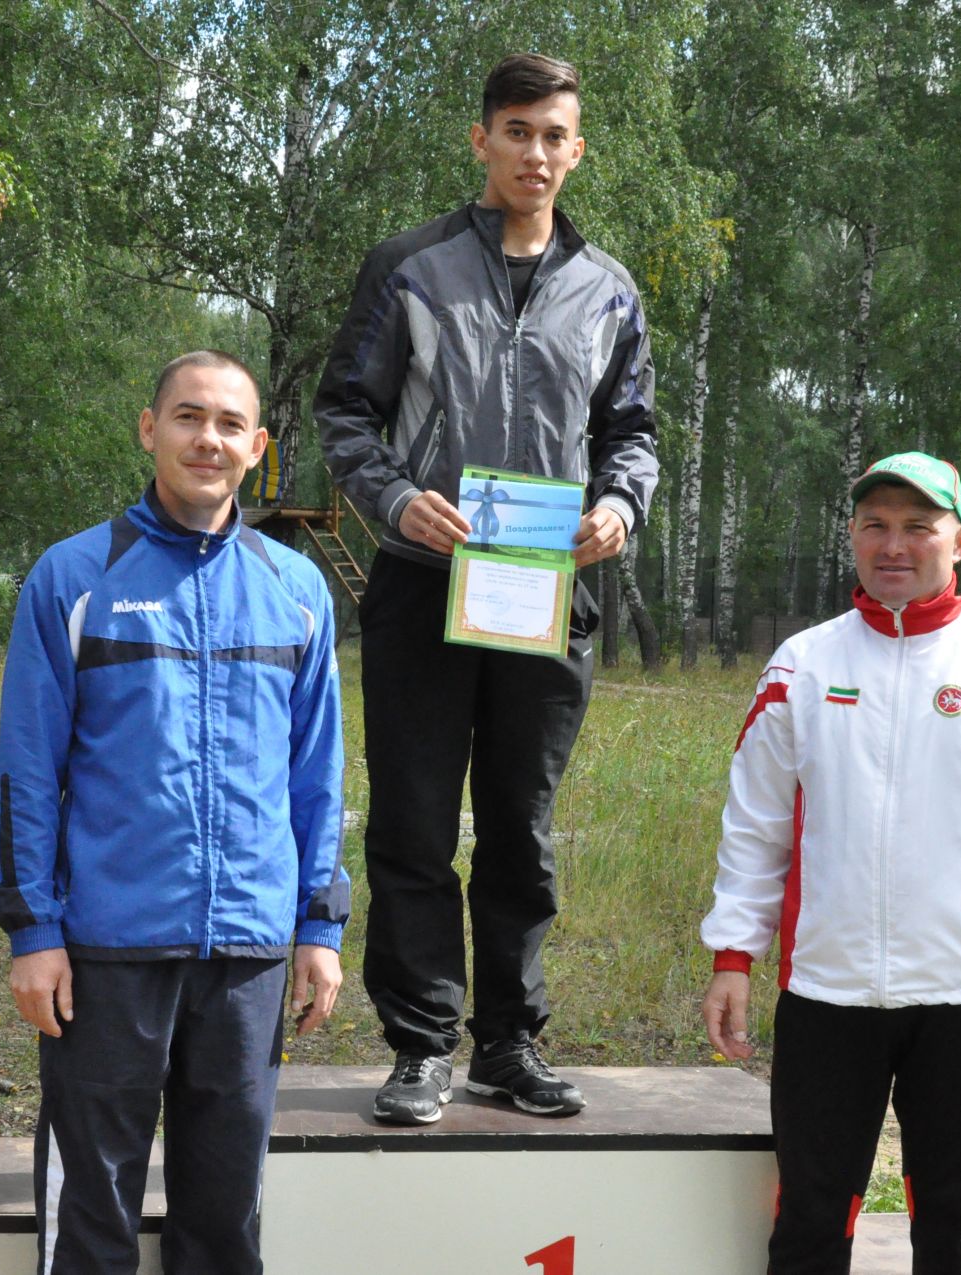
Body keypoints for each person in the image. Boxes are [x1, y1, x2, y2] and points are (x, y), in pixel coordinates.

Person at [315, 52, 658, 1125]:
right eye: (517, 131)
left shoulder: (609, 289)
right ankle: (421, 1049)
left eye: (556, 135)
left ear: (578, 148)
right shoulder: (408, 266)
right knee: (415, 824)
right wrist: (396, 498)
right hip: (425, 586)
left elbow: (632, 434)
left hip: (549, 598)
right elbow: (344, 415)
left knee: (523, 827)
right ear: (481, 141)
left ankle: (509, 1045)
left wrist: (620, 507)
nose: (537, 154)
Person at [699, 451, 961, 1274]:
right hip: (827, 992)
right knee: (811, 1220)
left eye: (918, 527)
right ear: (851, 536)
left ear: (959, 539)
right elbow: (755, 827)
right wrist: (733, 958)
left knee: (952, 1226)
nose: (895, 545)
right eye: (876, 526)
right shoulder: (802, 666)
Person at [0, 350, 349, 1275]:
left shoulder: (296, 590)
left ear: (257, 446)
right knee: (93, 1222)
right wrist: (33, 932)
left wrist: (319, 924)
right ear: (149, 429)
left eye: (230, 424)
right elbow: (28, 772)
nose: (208, 439)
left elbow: (318, 776)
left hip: (249, 954)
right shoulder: (72, 578)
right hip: (106, 952)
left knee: (224, 1223)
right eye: (188, 417)